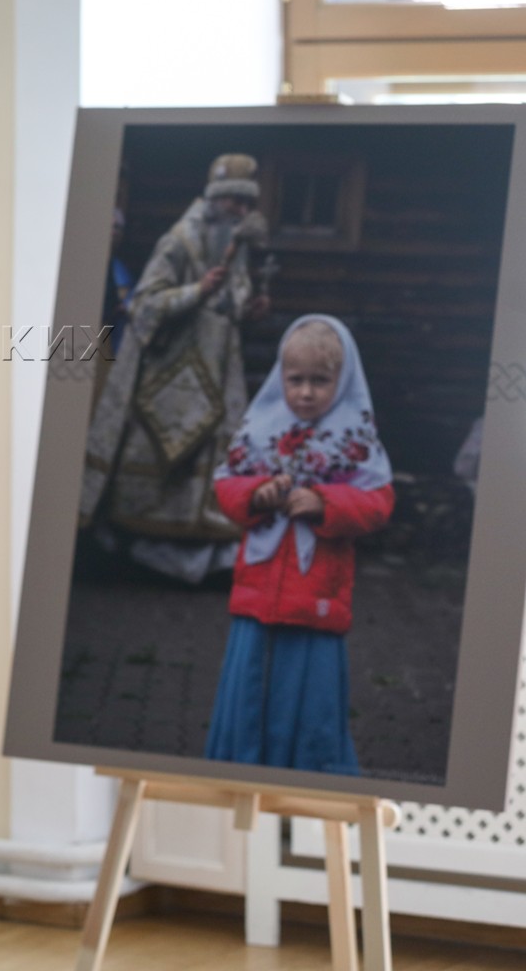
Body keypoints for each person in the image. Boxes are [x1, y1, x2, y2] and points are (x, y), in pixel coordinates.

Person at [204, 316, 393, 773]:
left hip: (315, 597)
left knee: (309, 692)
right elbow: (227, 484)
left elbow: (378, 502)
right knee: (248, 683)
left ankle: (308, 773)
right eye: (296, 380)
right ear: (280, 377)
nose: (306, 392)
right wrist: (257, 495)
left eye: (320, 381)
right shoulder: (261, 428)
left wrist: (325, 503)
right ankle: (240, 766)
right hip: (257, 591)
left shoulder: (356, 440)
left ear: (342, 380)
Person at [79, 154, 272, 584]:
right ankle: (142, 554)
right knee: (162, 454)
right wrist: (197, 290)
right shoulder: (179, 241)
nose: (241, 211)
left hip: (219, 374)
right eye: (234, 202)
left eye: (246, 202)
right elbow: (145, 304)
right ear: (215, 200)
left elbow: (230, 302)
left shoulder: (233, 244)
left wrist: (249, 308)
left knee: (211, 457)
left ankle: (203, 557)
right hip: (171, 375)